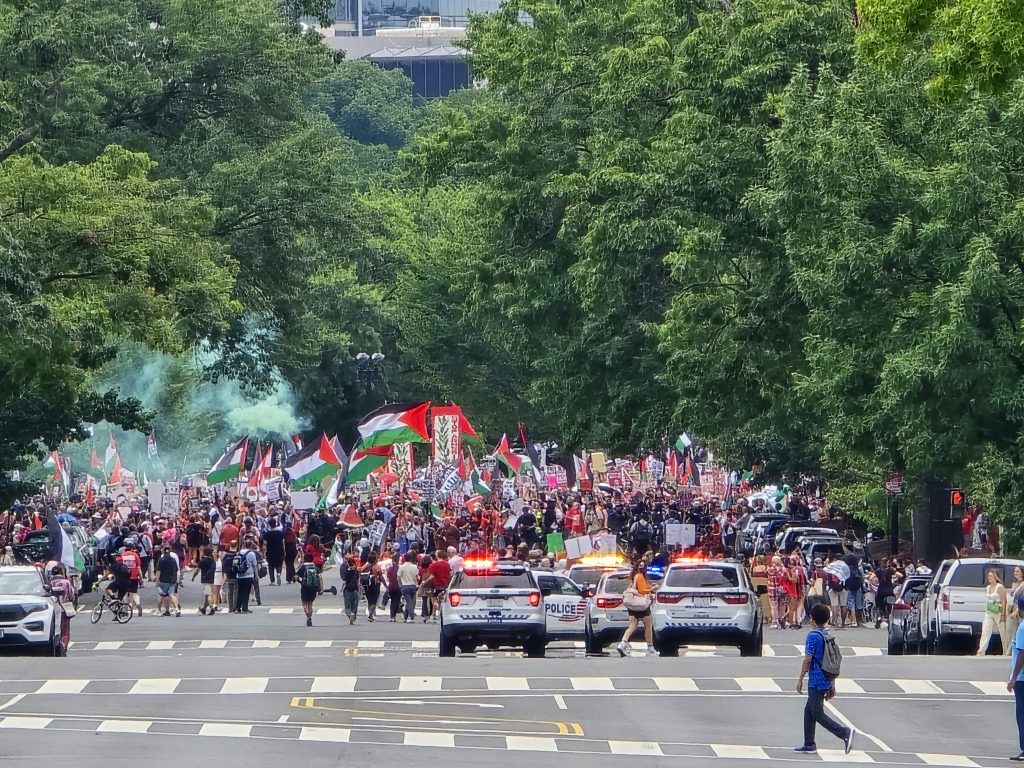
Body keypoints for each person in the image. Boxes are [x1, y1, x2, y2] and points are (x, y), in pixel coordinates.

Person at [795, 603, 855, 754]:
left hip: (816, 680)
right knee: (808, 710)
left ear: (812, 620)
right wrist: (832, 683)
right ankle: (809, 743)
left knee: (817, 713)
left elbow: (808, 659)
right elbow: (830, 660)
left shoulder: (813, 636)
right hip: (826, 677)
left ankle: (844, 733)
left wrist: (801, 678)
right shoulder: (827, 635)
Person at [617, 560, 654, 657]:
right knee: (648, 625)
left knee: (632, 626)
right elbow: (642, 591)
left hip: (633, 605)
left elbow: (630, 582)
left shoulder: (634, 575)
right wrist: (652, 589)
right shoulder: (640, 576)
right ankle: (651, 648)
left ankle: (622, 644)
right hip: (642, 605)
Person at [1007, 595, 1024, 760]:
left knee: (1022, 713)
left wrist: (1013, 677)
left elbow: (1022, 653)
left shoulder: (1022, 628)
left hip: (1022, 678)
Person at [979, 568, 1009, 656]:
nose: (989, 577)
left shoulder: (999, 587)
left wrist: (1003, 615)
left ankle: (1006, 651)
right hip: (989, 611)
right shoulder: (988, 588)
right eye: (989, 576)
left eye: (991, 576)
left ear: (996, 577)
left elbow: (1004, 601)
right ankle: (981, 650)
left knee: (1003, 632)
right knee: (985, 630)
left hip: (998, 612)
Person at [48, 564, 76, 655]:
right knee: (65, 629)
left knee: (54, 628)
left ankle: (57, 645)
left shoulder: (49, 583)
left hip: (51, 609)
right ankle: (64, 645)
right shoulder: (66, 582)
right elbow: (72, 595)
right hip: (65, 608)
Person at [296, 552, 322, 627]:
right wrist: (320, 588)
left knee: (304, 604)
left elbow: (296, 576)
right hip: (313, 588)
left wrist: (300, 581)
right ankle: (310, 617)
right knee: (310, 604)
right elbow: (319, 577)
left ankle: (307, 616)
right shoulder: (315, 567)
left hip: (305, 588)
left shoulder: (303, 567)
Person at [154, 546, 181, 617]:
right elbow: (176, 570)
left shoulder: (161, 560)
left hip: (163, 580)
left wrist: (157, 581)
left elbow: (158, 571)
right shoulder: (173, 560)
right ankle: (177, 609)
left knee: (162, 595)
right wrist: (175, 579)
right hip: (172, 580)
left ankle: (160, 610)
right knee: (172, 594)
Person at [191, 546, 217, 614]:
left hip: (205, 579)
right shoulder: (212, 560)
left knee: (208, 594)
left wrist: (194, 576)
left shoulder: (202, 561)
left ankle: (212, 608)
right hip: (211, 578)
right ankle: (204, 608)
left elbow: (197, 570)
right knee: (206, 594)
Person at [234, 538, 258, 614]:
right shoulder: (251, 554)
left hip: (239, 575)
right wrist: (256, 575)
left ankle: (237, 608)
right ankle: (245, 607)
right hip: (248, 575)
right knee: (246, 592)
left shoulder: (239, 553)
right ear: (251, 545)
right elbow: (254, 565)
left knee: (240, 592)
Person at [398, 552, 420, 623]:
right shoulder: (414, 567)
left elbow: (398, 577)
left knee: (408, 602)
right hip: (413, 585)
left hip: (405, 585)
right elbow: (417, 577)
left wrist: (400, 585)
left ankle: (410, 617)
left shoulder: (401, 567)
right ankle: (407, 617)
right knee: (411, 601)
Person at [340, 556, 360, 624]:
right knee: (355, 604)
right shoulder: (356, 571)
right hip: (355, 589)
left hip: (348, 589)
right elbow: (357, 580)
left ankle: (349, 614)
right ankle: (353, 614)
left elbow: (344, 579)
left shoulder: (346, 572)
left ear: (348, 564)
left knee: (347, 605)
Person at [384, 553, 403, 622]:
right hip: (398, 586)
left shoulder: (389, 569)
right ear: (398, 560)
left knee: (392, 601)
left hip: (391, 586)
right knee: (397, 601)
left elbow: (388, 578)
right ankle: (394, 616)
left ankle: (392, 616)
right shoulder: (399, 568)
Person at [1010, 567, 1024, 656]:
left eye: (1018, 571)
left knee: (1020, 631)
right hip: (1015, 608)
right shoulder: (1015, 583)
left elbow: (1022, 600)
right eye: (1015, 571)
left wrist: (1015, 612)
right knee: (1014, 631)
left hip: (1020, 610)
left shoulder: (1023, 584)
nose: (1016, 573)